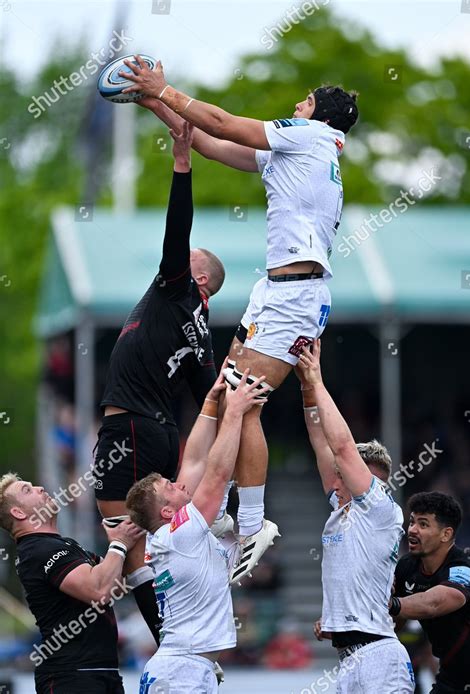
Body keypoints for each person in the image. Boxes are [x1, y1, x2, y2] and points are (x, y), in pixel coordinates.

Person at [119, 56, 358, 580]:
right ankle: (228, 512)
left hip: (293, 294)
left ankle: (251, 522)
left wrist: (167, 87)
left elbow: (225, 121)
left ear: (320, 115)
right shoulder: (297, 153)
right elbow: (210, 141)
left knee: (242, 401)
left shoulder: (310, 137)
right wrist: (154, 103)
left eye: (306, 100)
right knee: (227, 397)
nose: (296, 106)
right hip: (275, 291)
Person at [93, 122, 225, 644]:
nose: (168, 264)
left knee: (123, 536)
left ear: (197, 279)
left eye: (183, 263)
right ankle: (184, 627)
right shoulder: (200, 332)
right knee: (146, 540)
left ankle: (171, 639)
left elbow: (178, 228)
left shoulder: (177, 292)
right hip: (159, 432)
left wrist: (182, 162)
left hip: (130, 427)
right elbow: (210, 396)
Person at [126, 365, 269, 693]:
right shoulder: (180, 532)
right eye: (169, 486)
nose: (178, 483)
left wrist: (209, 404)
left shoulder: (173, 534)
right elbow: (216, 474)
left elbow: (193, 463)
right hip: (182, 669)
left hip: (182, 666)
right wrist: (233, 411)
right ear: (166, 510)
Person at [297, 339, 415, 694]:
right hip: (348, 658)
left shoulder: (381, 509)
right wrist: (305, 385)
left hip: (379, 655)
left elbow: (341, 446)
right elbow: (321, 440)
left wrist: (318, 381)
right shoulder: (341, 507)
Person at [0, 472, 143, 694]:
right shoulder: (37, 549)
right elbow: (99, 590)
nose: (39, 487)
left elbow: (115, 582)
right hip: (72, 676)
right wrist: (119, 542)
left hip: (100, 672)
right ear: (18, 512)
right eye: (27, 490)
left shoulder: (60, 545)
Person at [391, 492, 470, 694]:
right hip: (452, 677)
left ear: (446, 534)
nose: (412, 530)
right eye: (412, 522)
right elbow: (396, 624)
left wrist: (393, 604)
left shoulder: (462, 568)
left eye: (423, 524)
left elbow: (436, 603)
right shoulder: (407, 567)